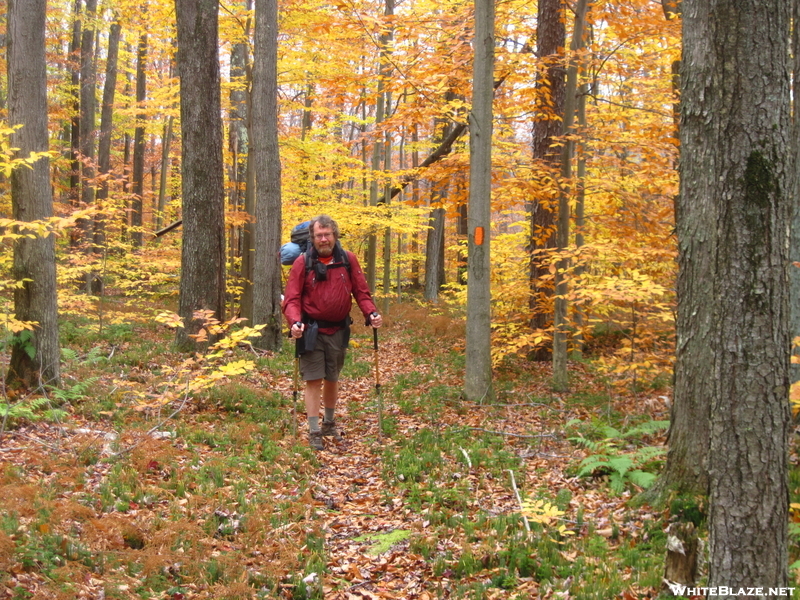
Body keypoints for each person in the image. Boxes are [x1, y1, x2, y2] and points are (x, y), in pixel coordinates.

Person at [282, 214, 383, 450]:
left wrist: (371, 314)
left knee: (332, 378)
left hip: (339, 329)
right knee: (313, 379)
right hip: (310, 330)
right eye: (319, 235)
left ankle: (329, 423)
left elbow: (361, 292)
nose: (324, 239)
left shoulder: (348, 260)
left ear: (335, 236)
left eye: (327, 235)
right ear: (313, 237)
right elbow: (292, 298)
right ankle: (314, 430)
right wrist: (294, 322)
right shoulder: (302, 262)